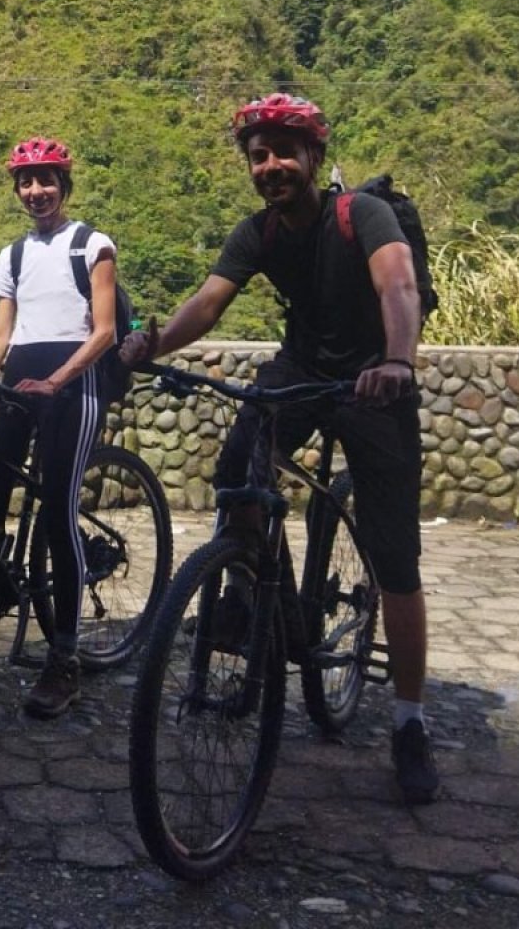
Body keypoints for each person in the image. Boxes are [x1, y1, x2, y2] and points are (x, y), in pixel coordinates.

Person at [119, 92, 440, 805]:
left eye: (284, 153)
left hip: (372, 376)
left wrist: (398, 363)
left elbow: (399, 284)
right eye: (258, 156)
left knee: (394, 556)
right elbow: (207, 304)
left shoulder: (363, 214)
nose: (271, 166)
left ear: (315, 158)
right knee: (239, 467)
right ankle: (242, 587)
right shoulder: (260, 233)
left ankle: (410, 723)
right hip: (301, 369)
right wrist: (152, 343)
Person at [0, 138, 119, 719]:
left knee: (59, 512)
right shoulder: (12, 255)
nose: (35, 191)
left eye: (46, 180)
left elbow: (105, 330)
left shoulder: (92, 244)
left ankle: (63, 658)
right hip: (17, 381)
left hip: (73, 383)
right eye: (25, 182)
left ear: (64, 183)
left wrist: (58, 381)